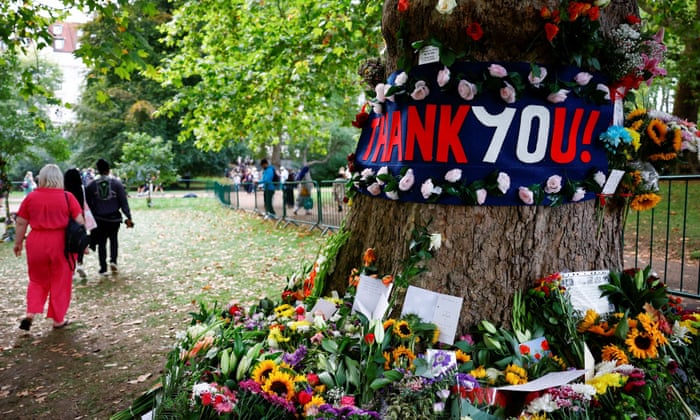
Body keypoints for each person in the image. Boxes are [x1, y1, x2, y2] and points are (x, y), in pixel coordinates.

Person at [14, 164, 86, 330]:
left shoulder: (31, 197)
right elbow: (79, 221)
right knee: (61, 281)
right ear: (59, 178)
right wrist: (82, 245)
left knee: (37, 280)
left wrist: (18, 243)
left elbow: (21, 222)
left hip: (36, 242)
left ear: (42, 178)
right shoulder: (67, 197)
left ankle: (31, 312)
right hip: (62, 244)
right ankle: (58, 319)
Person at [85, 159, 134, 277]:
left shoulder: (91, 185)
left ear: (98, 170)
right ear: (108, 169)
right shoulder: (117, 184)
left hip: (99, 218)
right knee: (113, 239)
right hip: (114, 218)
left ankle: (103, 267)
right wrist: (128, 217)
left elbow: (87, 203)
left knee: (101, 242)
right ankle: (113, 261)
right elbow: (123, 201)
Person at [64, 168, 92, 281]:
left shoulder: (64, 190)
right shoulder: (82, 189)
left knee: (68, 243)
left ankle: (71, 269)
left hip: (66, 220)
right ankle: (80, 263)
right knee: (80, 242)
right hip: (80, 218)